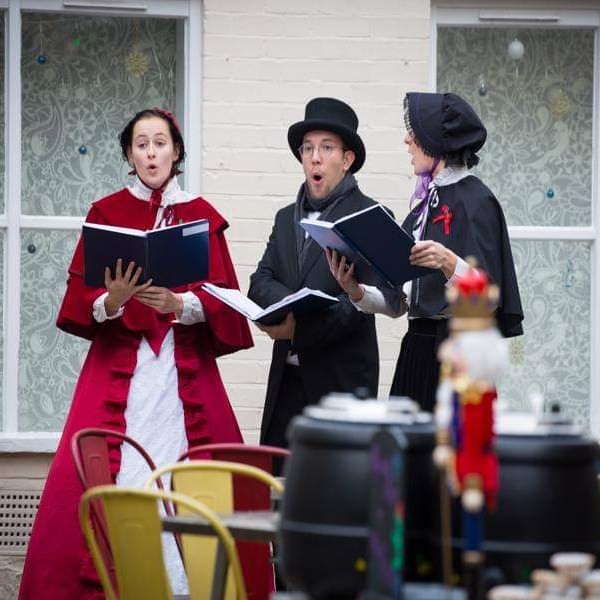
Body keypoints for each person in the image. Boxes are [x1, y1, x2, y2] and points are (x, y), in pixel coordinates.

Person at [19, 108, 253, 600]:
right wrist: (112, 301)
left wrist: (182, 304)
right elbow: (79, 301)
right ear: (129, 154)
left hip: (180, 370)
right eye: (141, 144)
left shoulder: (202, 215)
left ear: (176, 151)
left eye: (160, 143)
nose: (151, 152)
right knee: (108, 472)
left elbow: (227, 299)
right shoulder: (106, 212)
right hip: (120, 371)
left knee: (193, 476)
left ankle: (188, 585)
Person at [327, 91, 523, 412]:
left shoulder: (477, 200)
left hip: (459, 353)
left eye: (415, 133)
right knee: (407, 456)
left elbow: (487, 297)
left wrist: (448, 262)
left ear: (436, 140)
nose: (407, 140)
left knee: (449, 457)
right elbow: (399, 304)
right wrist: (355, 290)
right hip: (416, 349)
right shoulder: (422, 208)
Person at [248, 97, 382, 453]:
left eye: (326, 148)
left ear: (347, 159)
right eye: (307, 148)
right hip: (285, 387)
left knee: (337, 503)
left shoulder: (370, 217)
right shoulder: (284, 217)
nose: (314, 157)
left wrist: (298, 329)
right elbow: (259, 282)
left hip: (340, 387)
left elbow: (363, 302)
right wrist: (288, 310)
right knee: (278, 494)